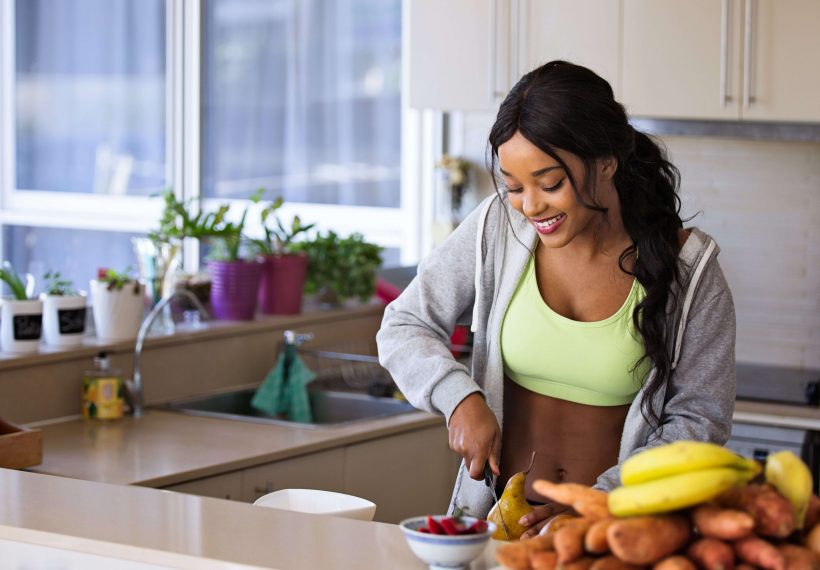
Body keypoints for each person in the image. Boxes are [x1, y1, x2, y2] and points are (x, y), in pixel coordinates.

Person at [376, 61, 736, 538]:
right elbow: (403, 324)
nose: (530, 206)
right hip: (497, 529)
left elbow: (699, 421)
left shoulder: (689, 268)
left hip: (613, 535)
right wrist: (459, 397)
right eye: (514, 186)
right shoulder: (498, 227)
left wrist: (598, 506)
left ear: (606, 161)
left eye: (549, 184)